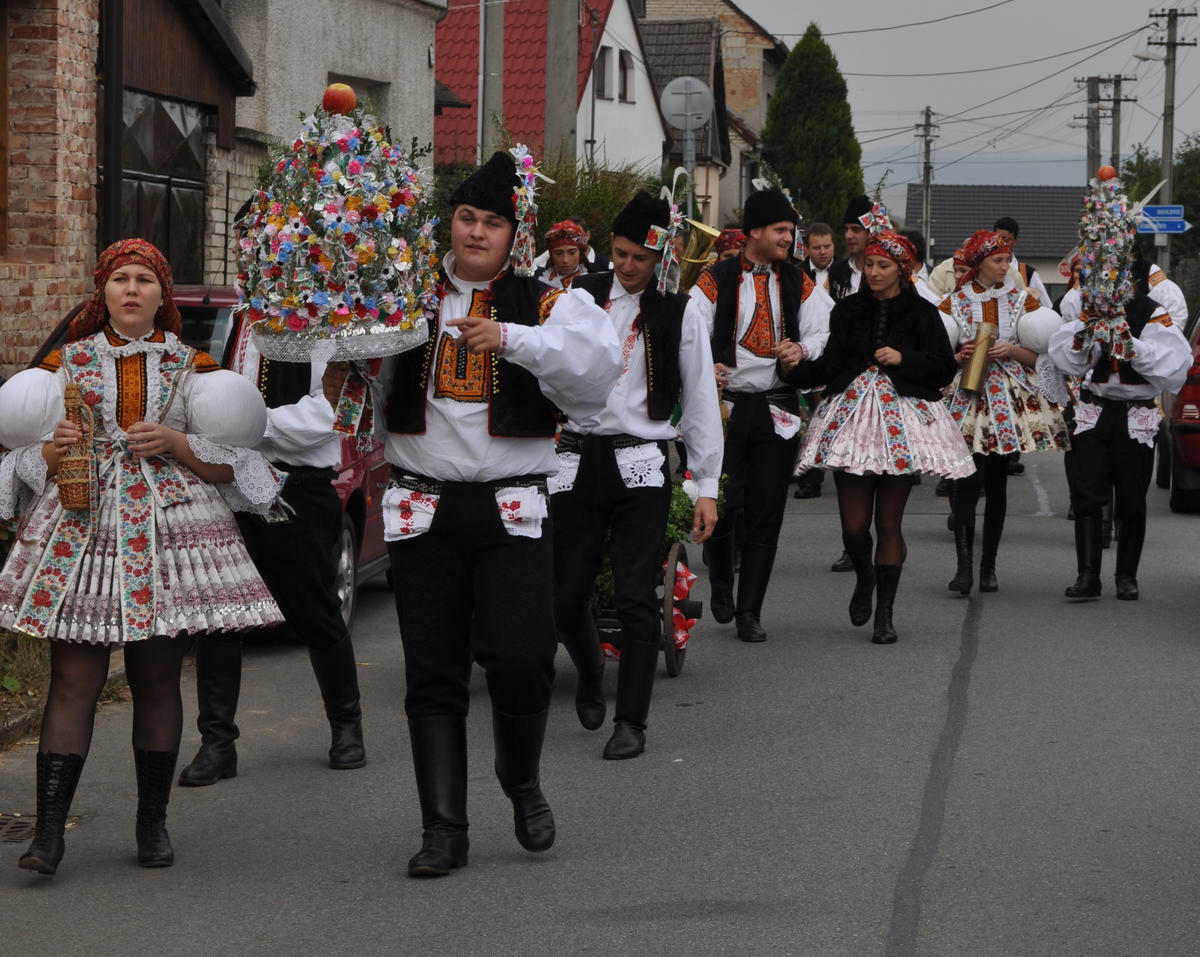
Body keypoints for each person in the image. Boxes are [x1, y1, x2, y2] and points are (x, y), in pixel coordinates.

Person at [324, 150, 621, 877]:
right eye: (466, 218)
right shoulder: (404, 298)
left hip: (512, 506)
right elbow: (344, 370)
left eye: (492, 222)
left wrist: (511, 339)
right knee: (433, 670)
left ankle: (521, 780)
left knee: (522, 659)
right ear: (447, 225)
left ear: (514, 234)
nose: (477, 232)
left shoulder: (550, 302)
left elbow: (596, 373)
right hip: (423, 504)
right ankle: (443, 829)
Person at [0, 239, 284, 876]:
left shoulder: (197, 368)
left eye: (145, 280)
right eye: (120, 279)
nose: (132, 289)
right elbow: (22, 458)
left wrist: (176, 439)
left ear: (163, 294)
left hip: (169, 532)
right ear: (101, 292)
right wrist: (54, 449)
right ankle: (48, 833)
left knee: (157, 678)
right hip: (82, 528)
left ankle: (152, 824)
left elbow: (226, 464)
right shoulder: (63, 366)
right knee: (75, 680)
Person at [178, 203, 368, 788]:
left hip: (294, 487)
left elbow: (324, 419)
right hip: (230, 481)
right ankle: (218, 742)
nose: (259, 258)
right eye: (251, 247)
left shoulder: (329, 327)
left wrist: (239, 426)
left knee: (313, 609)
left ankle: (346, 725)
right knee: (220, 614)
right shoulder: (237, 320)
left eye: (271, 248)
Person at [552, 191, 722, 759]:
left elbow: (699, 400)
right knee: (565, 592)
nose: (627, 267)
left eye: (640, 259)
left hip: (641, 462)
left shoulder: (681, 311)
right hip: (575, 457)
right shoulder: (579, 295)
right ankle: (590, 672)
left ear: (660, 258)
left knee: (634, 594)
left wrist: (706, 485)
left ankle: (632, 722)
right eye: (621, 254)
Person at [780, 229, 972, 642]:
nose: (873, 272)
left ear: (903, 270)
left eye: (883, 265)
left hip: (903, 424)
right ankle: (864, 578)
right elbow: (831, 364)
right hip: (852, 423)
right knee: (853, 528)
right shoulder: (847, 310)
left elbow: (942, 370)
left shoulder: (923, 313)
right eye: (868, 264)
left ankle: (885, 613)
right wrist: (793, 368)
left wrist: (905, 358)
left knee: (888, 524)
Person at [690, 187, 833, 641]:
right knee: (725, 503)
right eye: (780, 230)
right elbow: (689, 325)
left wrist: (803, 347)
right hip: (726, 408)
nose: (789, 238)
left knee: (767, 510)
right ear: (754, 231)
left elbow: (825, 327)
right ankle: (719, 582)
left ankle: (751, 609)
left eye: (792, 231)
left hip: (776, 408)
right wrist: (703, 363)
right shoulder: (716, 278)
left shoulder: (798, 280)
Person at [1048, 189, 1190, 600]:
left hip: (1135, 413)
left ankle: (1126, 576)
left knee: (1131, 498)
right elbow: (1065, 356)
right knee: (1087, 494)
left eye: (1117, 265)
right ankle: (1088, 575)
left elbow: (1172, 364)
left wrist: (1132, 345)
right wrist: (1088, 339)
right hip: (1093, 410)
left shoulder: (1150, 309)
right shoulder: (1082, 302)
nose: (1109, 273)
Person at [941, 230, 1070, 594]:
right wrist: (960, 356)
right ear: (980, 262)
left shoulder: (1023, 301)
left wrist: (1009, 350)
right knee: (964, 483)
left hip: (1006, 401)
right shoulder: (953, 302)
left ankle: (988, 567)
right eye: (998, 260)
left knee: (996, 484)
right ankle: (963, 566)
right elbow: (938, 355)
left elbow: (1040, 357)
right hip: (965, 398)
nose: (1005, 266)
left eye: (1007, 260)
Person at [993, 216, 1050, 302]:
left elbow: (1046, 307)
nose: (1002, 244)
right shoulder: (983, 271)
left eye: (1007, 240)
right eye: (998, 239)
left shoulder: (1028, 274)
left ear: (1015, 241)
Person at [537, 219, 591, 290]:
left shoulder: (590, 284)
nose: (565, 260)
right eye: (558, 253)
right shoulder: (540, 282)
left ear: (580, 253)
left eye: (571, 253)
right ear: (551, 255)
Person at [800, 223, 837, 290]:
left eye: (827, 246)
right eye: (816, 248)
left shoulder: (847, 270)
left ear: (834, 245)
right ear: (807, 248)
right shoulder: (796, 274)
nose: (822, 252)